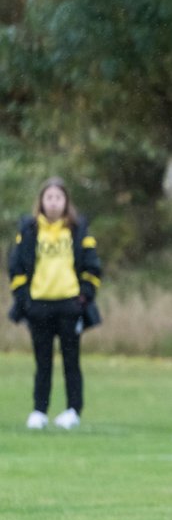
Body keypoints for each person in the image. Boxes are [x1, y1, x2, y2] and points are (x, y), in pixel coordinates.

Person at [8, 177, 103, 430]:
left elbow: (93, 267)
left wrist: (83, 297)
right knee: (43, 362)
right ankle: (40, 411)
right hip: (38, 306)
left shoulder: (78, 230)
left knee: (71, 361)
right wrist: (24, 300)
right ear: (41, 201)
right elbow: (15, 267)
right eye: (48, 198)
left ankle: (73, 411)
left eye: (58, 198)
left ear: (65, 202)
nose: (53, 203)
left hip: (70, 306)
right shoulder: (29, 231)